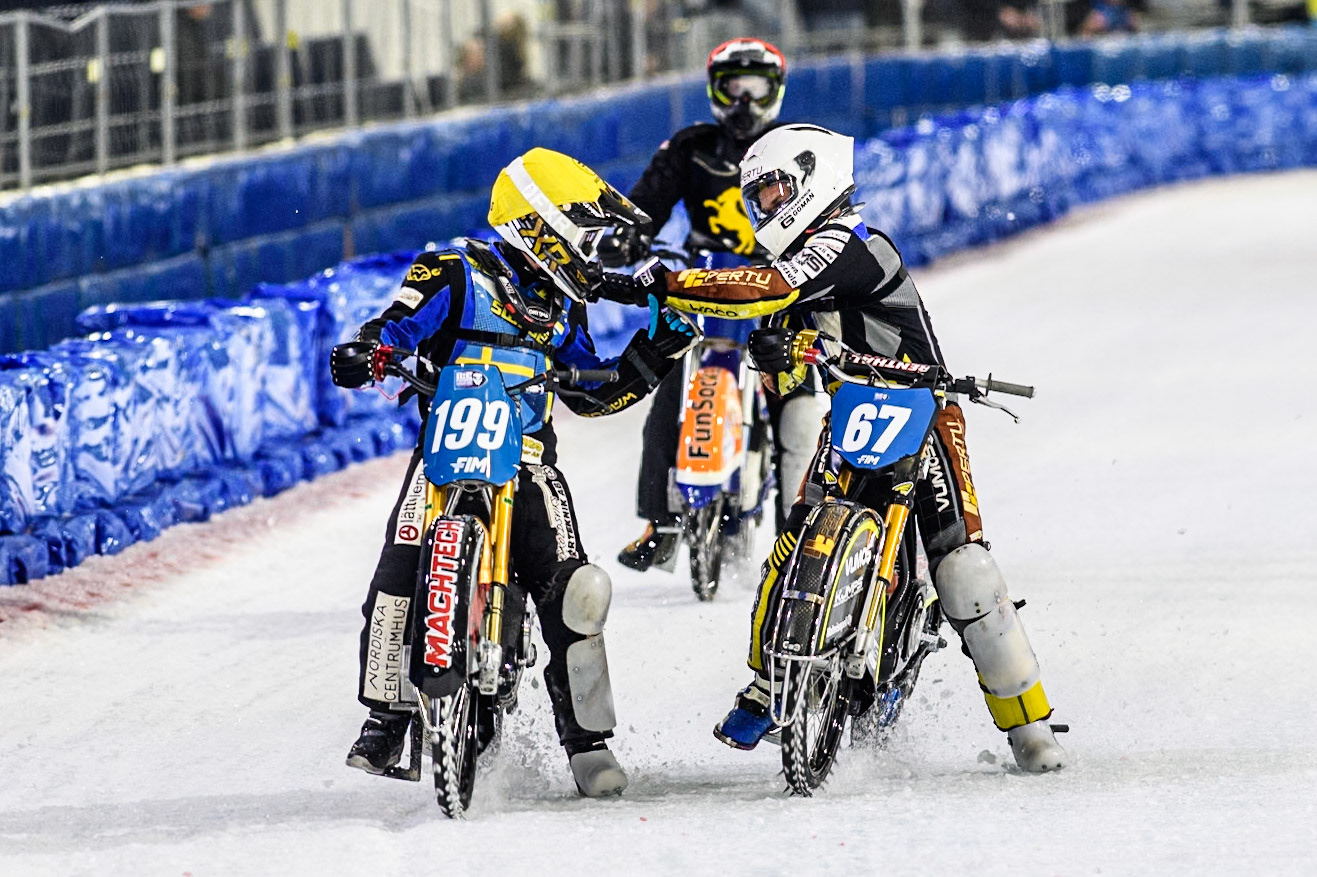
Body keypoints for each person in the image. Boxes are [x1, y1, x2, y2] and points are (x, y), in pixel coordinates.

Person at [617, 124, 1069, 772]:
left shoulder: (854, 241)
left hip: (922, 408)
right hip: (852, 411)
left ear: (814, 177)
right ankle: (769, 679)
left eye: (775, 191)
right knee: (794, 535)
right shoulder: (792, 261)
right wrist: (772, 355)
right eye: (758, 198)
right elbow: (776, 347)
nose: (766, 208)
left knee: (963, 569)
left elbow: (766, 290)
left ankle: (1030, 729)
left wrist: (665, 281)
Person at [330, 147, 700, 796]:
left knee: (576, 589)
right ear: (540, 227)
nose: (593, 260)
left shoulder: (563, 308)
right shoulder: (454, 268)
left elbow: (592, 392)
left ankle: (586, 741)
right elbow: (398, 325)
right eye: (586, 242)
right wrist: (371, 351)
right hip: (445, 454)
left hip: (528, 460)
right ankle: (385, 717)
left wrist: (657, 349)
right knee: (396, 572)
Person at [604, 37, 823, 572]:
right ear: (714, 91)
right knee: (669, 383)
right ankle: (661, 520)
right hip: (707, 282)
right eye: (733, 87)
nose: (744, 101)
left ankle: (803, 535)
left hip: (780, 284)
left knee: (797, 407)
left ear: (776, 91)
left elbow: (828, 205)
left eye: (755, 88)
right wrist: (626, 239)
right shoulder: (689, 146)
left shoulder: (800, 146)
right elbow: (644, 206)